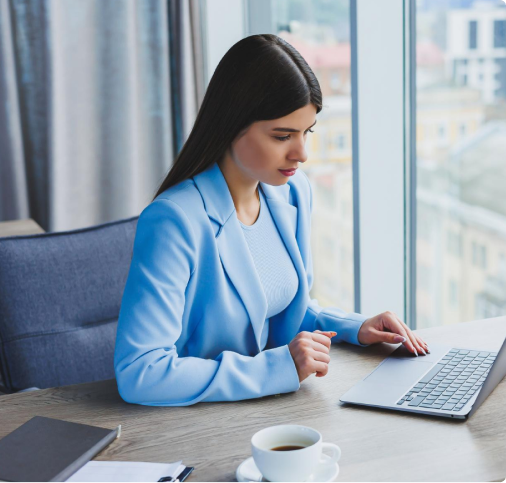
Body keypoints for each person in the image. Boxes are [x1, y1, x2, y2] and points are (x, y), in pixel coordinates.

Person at [114, 34, 429, 407]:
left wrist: (354, 327)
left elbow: (278, 307)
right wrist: (276, 368)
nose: (302, 153)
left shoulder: (291, 192)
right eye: (283, 136)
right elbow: (141, 372)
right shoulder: (174, 221)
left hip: (271, 413)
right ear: (233, 124)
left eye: (307, 132)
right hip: (194, 425)